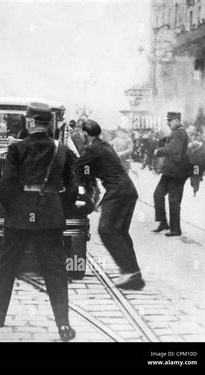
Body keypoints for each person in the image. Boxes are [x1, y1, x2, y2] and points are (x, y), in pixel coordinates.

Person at [0, 102, 78, 342]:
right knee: (56, 271)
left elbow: (5, 185)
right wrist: (58, 209)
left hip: (20, 215)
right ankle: (64, 326)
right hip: (50, 216)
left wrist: (15, 209)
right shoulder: (61, 150)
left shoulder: (17, 149)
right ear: (47, 124)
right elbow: (72, 188)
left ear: (30, 122)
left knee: (7, 266)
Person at [76, 119, 144, 290]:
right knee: (120, 231)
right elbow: (89, 170)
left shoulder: (93, 149)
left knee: (106, 230)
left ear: (85, 134)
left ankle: (129, 272)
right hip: (127, 190)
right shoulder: (104, 145)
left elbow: (78, 167)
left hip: (118, 192)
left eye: (81, 134)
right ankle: (133, 272)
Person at [153, 112, 191, 237]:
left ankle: (175, 229)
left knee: (173, 200)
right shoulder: (176, 132)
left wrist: (158, 151)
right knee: (158, 194)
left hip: (178, 172)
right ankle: (163, 223)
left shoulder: (180, 133)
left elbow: (172, 150)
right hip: (170, 171)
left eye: (169, 120)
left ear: (176, 120)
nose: (167, 123)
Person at [188, 131, 205, 196]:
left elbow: (203, 157)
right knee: (194, 178)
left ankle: (195, 190)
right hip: (193, 164)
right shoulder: (191, 147)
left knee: (195, 177)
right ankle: (195, 188)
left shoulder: (199, 148)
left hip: (196, 165)